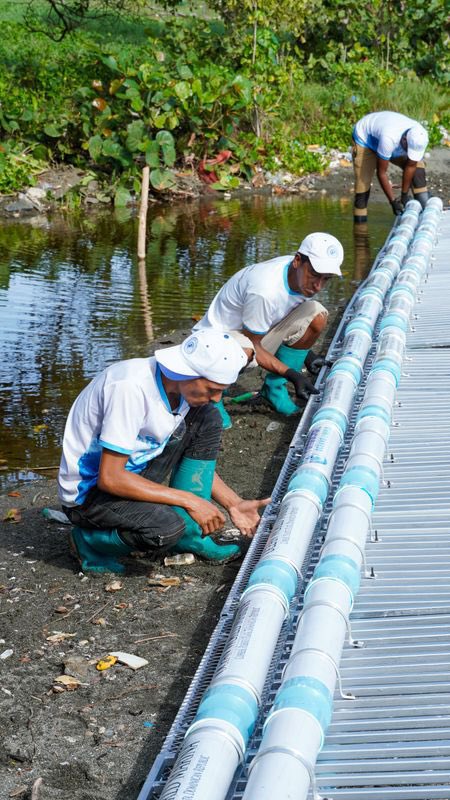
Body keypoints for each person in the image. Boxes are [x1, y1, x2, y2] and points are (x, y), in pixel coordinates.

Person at [58, 329, 270, 573]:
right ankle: (89, 543)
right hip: (90, 493)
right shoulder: (130, 388)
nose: (216, 398)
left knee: (208, 417)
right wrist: (190, 501)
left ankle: (192, 535)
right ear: (187, 372)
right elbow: (110, 478)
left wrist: (234, 503)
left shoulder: (180, 388)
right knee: (166, 528)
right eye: (212, 389)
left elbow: (193, 463)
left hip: (134, 471)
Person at [193, 232, 344, 425]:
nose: (318, 286)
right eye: (314, 275)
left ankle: (273, 390)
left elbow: (282, 318)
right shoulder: (265, 290)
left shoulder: (299, 277)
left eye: (326, 278)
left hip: (249, 333)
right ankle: (212, 397)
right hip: (213, 342)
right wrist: (292, 374)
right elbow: (254, 345)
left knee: (316, 315)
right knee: (246, 351)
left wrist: (307, 355)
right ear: (298, 260)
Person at [352, 110, 430, 223]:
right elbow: (381, 173)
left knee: (418, 172)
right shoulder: (389, 139)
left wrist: (404, 195)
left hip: (389, 139)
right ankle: (360, 228)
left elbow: (411, 166)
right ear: (404, 140)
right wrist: (392, 202)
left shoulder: (420, 135)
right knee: (362, 189)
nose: (409, 153)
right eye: (408, 149)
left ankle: (424, 210)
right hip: (365, 140)